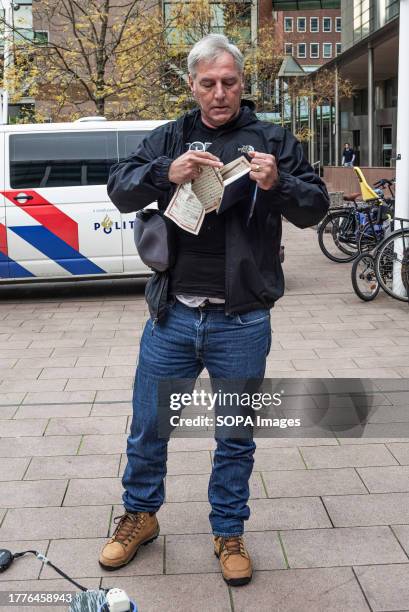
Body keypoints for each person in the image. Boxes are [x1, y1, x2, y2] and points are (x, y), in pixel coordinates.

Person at [99, 34, 329, 586]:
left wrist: (278, 184)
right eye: (208, 83)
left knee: (235, 433)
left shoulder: (271, 139)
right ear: (193, 84)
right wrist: (165, 174)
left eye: (229, 82)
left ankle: (228, 530)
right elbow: (119, 187)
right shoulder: (171, 137)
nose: (219, 93)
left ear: (242, 84)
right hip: (172, 316)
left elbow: (315, 205)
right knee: (150, 427)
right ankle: (140, 516)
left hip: (242, 320)